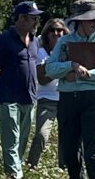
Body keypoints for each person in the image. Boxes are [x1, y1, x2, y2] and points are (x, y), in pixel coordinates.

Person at [43, 0, 95, 179]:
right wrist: (71, 65)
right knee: (69, 147)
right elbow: (50, 69)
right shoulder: (65, 43)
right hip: (68, 100)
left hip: (94, 99)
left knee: (93, 148)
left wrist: (84, 74)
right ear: (80, 21)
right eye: (92, 19)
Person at [0, 0, 46, 179]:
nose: (37, 22)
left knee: (22, 140)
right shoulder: (2, 40)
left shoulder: (35, 41)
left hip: (29, 98)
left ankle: (14, 174)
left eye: (37, 18)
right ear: (21, 18)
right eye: (33, 18)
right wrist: (3, 90)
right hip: (9, 98)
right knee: (11, 139)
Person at [27, 17, 66, 168]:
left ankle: (65, 168)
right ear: (46, 34)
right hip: (46, 99)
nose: (56, 33)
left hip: (65, 98)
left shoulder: (70, 51)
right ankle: (31, 166)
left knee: (66, 137)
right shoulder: (41, 53)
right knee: (42, 134)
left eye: (60, 30)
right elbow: (42, 79)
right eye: (52, 30)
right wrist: (60, 67)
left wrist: (56, 69)